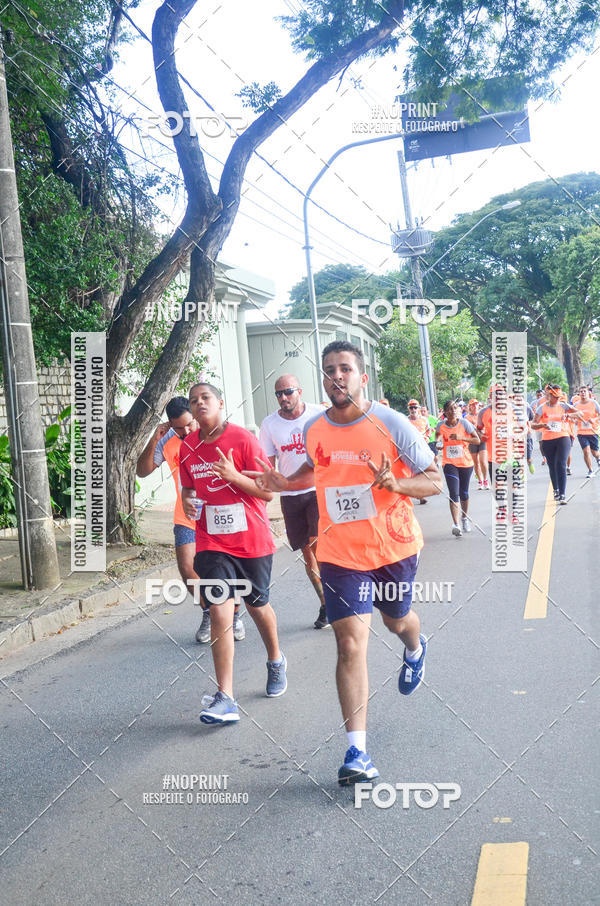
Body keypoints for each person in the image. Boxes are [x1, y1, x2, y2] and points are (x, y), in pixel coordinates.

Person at [244, 341, 441, 785]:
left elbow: (434, 480)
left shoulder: (391, 422)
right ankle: (357, 753)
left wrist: (397, 483)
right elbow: (319, 469)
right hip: (339, 553)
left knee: (396, 621)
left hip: (392, 548)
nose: (337, 376)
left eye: (346, 369)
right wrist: (286, 480)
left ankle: (416, 646)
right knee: (350, 643)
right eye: (330, 370)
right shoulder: (315, 429)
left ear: (362, 377)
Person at [179, 383, 287, 724]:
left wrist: (233, 475)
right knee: (220, 611)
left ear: (220, 403)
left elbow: (268, 494)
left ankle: (275, 660)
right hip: (212, 544)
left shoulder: (242, 440)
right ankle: (225, 697)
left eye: (205, 398)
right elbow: (187, 489)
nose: (199, 404)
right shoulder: (188, 448)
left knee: (257, 606)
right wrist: (187, 501)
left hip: (251, 541)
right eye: (194, 401)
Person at [135, 397, 246, 643]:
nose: (185, 431)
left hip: (219, 514)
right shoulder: (167, 441)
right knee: (188, 568)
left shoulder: (215, 435)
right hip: (188, 514)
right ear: (170, 426)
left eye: (188, 425)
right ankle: (209, 612)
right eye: (178, 428)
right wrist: (155, 438)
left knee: (227, 568)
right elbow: (142, 471)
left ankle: (235, 615)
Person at [259, 375, 327, 629]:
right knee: (307, 555)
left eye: (288, 392)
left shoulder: (319, 414)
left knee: (319, 546)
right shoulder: (269, 424)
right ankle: (325, 604)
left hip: (317, 491)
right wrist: (262, 499)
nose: (283, 397)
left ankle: (336, 599)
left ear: (299, 391)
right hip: (290, 497)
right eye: (278, 394)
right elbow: (267, 466)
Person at [435, 400, 480, 535]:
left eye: (455, 408)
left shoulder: (464, 423)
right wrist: (438, 443)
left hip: (465, 463)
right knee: (454, 493)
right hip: (449, 463)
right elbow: (437, 437)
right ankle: (456, 524)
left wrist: (461, 437)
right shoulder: (440, 426)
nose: (453, 410)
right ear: (445, 412)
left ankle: (464, 518)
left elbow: (477, 440)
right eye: (449, 409)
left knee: (464, 493)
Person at [530, 384, 578, 504]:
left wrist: (568, 415)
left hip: (563, 437)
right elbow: (533, 424)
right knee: (552, 465)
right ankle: (555, 489)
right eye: (555, 396)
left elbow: (580, 414)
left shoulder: (563, 405)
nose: (557, 399)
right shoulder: (542, 408)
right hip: (548, 439)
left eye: (559, 396)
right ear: (550, 396)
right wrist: (542, 425)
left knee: (561, 464)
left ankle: (562, 494)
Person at [572, 385, 600, 477]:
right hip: (581, 432)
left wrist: (594, 420)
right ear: (579, 394)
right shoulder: (576, 405)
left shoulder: (594, 403)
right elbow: (573, 416)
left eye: (584, 391)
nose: (583, 393)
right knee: (586, 451)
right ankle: (591, 470)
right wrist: (575, 420)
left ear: (588, 393)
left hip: (593, 431)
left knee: (594, 452)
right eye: (581, 391)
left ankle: (598, 458)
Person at [407, 399, 431, 504]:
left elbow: (429, 432)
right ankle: (419, 494)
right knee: (414, 473)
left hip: (422, 449)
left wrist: (426, 437)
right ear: (408, 409)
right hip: (410, 450)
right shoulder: (405, 420)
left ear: (419, 408)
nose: (413, 410)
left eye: (415, 407)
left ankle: (421, 494)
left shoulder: (424, 420)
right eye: (411, 407)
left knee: (423, 472)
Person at [465, 399, 488, 489]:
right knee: (476, 463)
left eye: (476, 405)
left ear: (479, 406)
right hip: (473, 441)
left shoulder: (481, 415)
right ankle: (480, 481)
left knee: (483, 461)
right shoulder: (467, 417)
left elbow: (485, 426)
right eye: (472, 405)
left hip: (482, 440)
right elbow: (468, 429)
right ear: (469, 406)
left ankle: (485, 480)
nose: (474, 406)